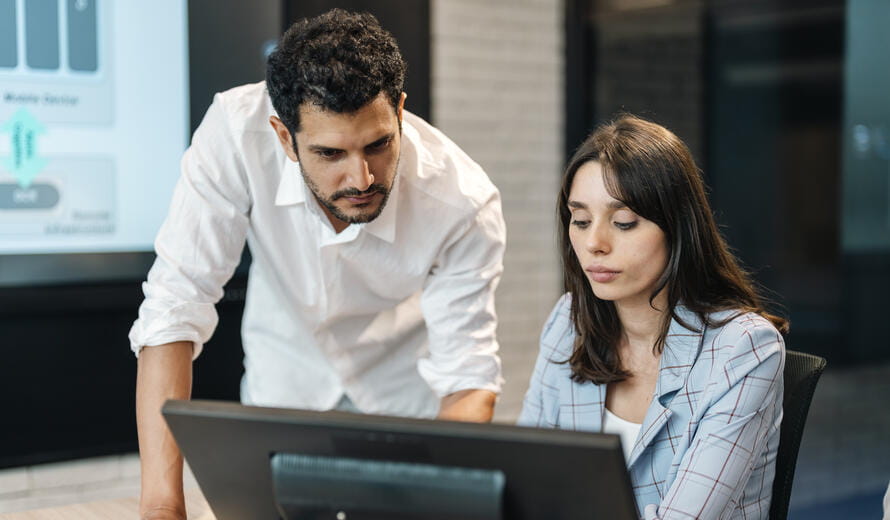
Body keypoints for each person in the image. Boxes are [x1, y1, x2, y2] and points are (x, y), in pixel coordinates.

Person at [130, 9, 506, 520]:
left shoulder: (464, 202)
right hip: (282, 383)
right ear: (284, 137)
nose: (362, 178)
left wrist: (441, 496)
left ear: (399, 110)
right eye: (330, 153)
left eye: (378, 144)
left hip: (404, 397)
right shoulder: (235, 133)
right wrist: (160, 507)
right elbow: (174, 307)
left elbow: (468, 377)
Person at [519, 115, 788, 519]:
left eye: (624, 222)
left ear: (678, 229)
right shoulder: (569, 322)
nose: (594, 243)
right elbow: (523, 483)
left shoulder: (744, 349)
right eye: (580, 220)